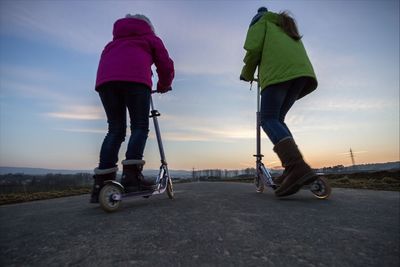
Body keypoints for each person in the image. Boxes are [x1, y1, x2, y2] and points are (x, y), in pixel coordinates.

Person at [90, 14, 174, 203]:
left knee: (115, 130)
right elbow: (165, 64)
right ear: (149, 26)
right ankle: (131, 177)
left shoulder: (112, 44)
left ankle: (102, 183)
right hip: (136, 82)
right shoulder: (150, 38)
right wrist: (163, 85)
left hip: (106, 83)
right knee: (139, 126)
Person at [240, 7, 318, 197]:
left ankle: (296, 166)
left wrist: (247, 73)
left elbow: (253, 48)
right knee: (278, 119)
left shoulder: (261, 22)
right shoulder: (285, 26)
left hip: (278, 73)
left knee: (267, 119)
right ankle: (292, 169)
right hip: (301, 74)